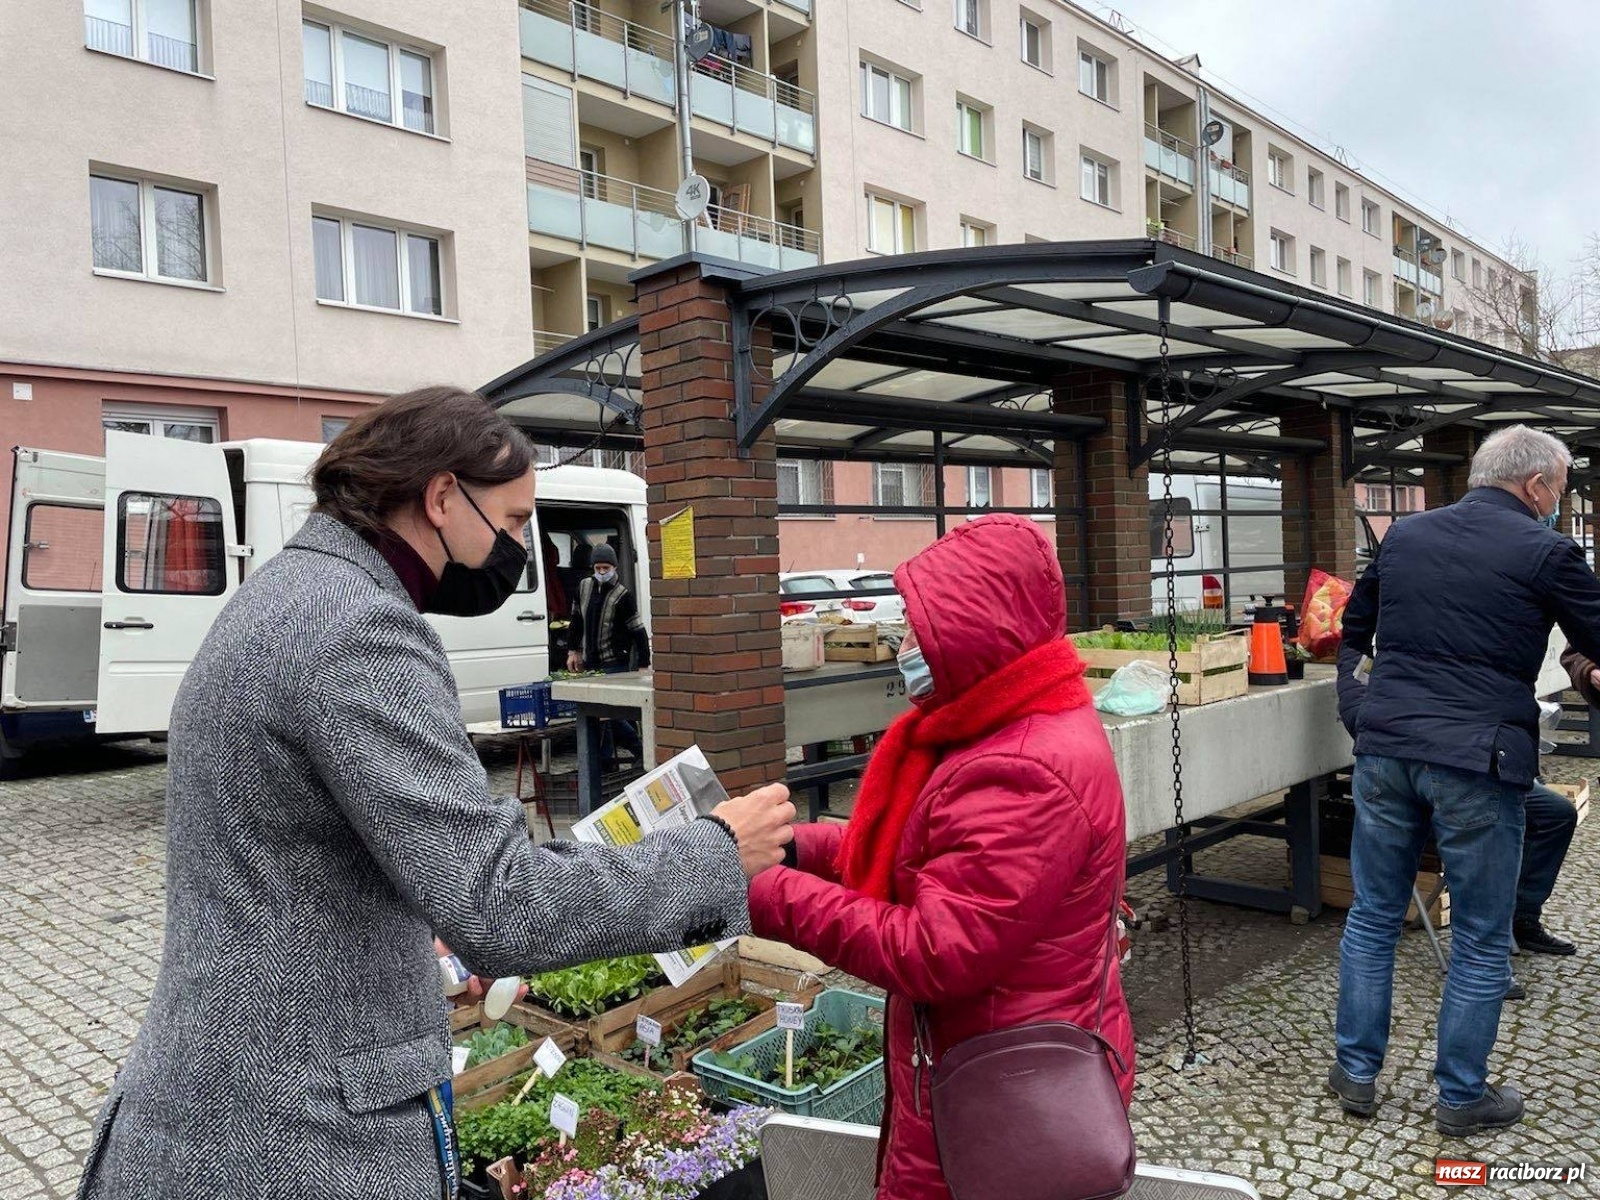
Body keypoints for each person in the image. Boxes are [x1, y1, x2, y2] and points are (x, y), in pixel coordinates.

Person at [77, 387, 795, 1200]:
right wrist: (715, 851)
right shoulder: (360, 629)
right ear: (444, 496)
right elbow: (501, 905)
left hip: (225, 1112)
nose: (523, 550)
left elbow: (296, 864)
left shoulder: (294, 593)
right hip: (290, 1139)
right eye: (518, 521)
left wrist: (413, 930)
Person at [747, 515, 1134, 1200]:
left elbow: (936, 951)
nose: (905, 647)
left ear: (977, 634)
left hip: (995, 1085)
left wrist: (766, 892)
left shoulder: (1024, 769)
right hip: (985, 1060)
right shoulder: (1009, 721)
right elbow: (925, 860)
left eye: (920, 632)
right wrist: (796, 845)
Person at [1330, 424, 1600, 1137]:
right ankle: (1461, 1095)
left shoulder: (1406, 535)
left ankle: (1355, 1074)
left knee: (1372, 916)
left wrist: (1358, 708)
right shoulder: (1548, 550)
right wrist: (1582, 669)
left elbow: (1351, 631)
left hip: (1387, 752)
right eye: (1562, 489)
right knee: (1480, 936)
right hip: (1477, 761)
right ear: (1536, 485)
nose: (1561, 502)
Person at [566, 542, 650, 767]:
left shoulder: (623, 595)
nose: (602, 572)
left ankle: (640, 750)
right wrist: (573, 651)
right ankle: (605, 762)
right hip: (592, 663)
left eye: (606, 568)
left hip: (615, 662)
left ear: (614, 567)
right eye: (598, 568)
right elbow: (576, 621)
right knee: (598, 717)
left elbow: (638, 630)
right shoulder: (583, 587)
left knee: (612, 715)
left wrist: (644, 663)